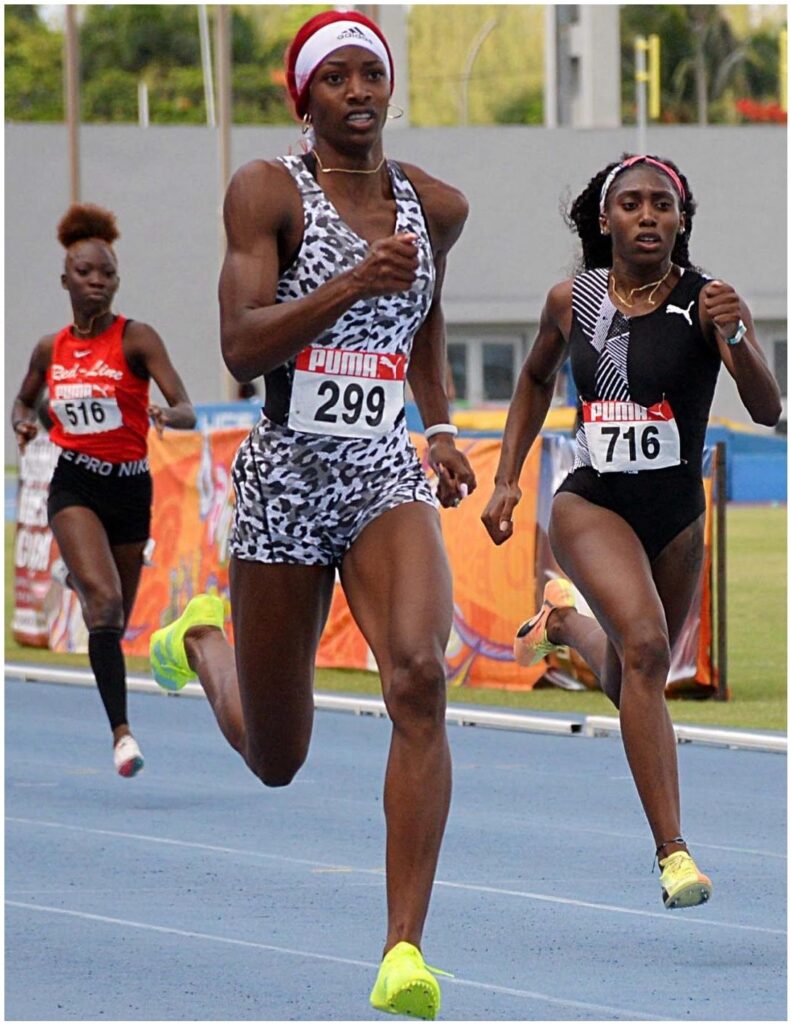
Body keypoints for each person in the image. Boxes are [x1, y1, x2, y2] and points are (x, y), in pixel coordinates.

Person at [148, 11, 474, 1021]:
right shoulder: (265, 191)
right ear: (306, 99)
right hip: (287, 468)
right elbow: (240, 348)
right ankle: (204, 640)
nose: (357, 91)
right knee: (277, 758)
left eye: (368, 74)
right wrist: (345, 284)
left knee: (419, 674)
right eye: (333, 78)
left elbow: (423, 318)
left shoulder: (433, 205)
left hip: (382, 467)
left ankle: (402, 953)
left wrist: (442, 426)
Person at [482, 154, 781, 910]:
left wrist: (738, 333)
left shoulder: (703, 300)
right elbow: (531, 380)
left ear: (680, 222)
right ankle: (672, 851)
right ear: (603, 219)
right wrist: (508, 477)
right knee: (647, 649)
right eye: (631, 204)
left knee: (631, 677)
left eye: (662, 205)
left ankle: (564, 625)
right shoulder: (571, 299)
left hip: (676, 511)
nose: (647, 216)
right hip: (592, 504)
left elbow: (767, 408)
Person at [12, 203, 196, 778]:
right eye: (87, 273)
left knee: (116, 618)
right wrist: (23, 420)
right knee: (106, 604)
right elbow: (24, 398)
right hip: (76, 484)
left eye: (108, 275)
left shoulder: (137, 339)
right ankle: (121, 734)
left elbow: (186, 405)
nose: (98, 283)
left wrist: (171, 415)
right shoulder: (51, 349)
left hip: (130, 490)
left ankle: (81, 571)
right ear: (65, 279)